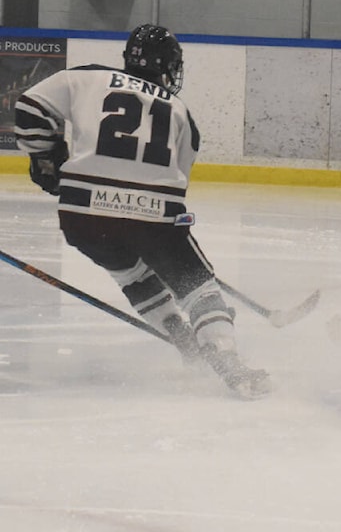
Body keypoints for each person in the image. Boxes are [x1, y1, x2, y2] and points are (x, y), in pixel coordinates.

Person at [14, 23, 270, 399]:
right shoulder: (181, 111)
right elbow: (177, 179)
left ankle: (179, 336)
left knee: (133, 276)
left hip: (82, 216)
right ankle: (227, 357)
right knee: (196, 287)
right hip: (152, 213)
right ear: (167, 65)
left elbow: (30, 106)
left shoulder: (87, 77)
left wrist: (47, 159)